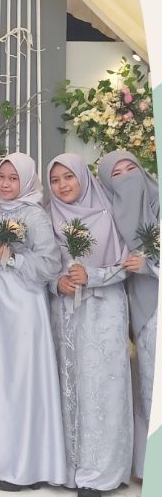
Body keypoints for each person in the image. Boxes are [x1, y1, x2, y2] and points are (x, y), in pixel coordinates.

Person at [47, 153, 132, 497]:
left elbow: (128, 264)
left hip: (104, 310)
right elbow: (44, 265)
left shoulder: (108, 213)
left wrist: (92, 276)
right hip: (66, 312)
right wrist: (57, 283)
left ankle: (98, 474)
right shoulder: (49, 215)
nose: (62, 185)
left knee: (102, 388)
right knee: (71, 385)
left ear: (83, 176)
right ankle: (71, 467)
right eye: (55, 180)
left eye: (69, 177)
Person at [0, 153, 67, 491]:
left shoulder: (35, 214)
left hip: (25, 305)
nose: (5, 183)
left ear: (27, 181)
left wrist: (13, 257)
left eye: (13, 178)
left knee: (25, 381)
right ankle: (6, 460)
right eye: (1, 176)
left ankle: (30, 466)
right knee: (2, 381)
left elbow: (50, 264)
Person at [97, 151, 158, 480]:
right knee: (150, 389)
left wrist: (150, 265)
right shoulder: (109, 216)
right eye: (116, 175)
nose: (126, 179)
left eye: (130, 168)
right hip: (139, 312)